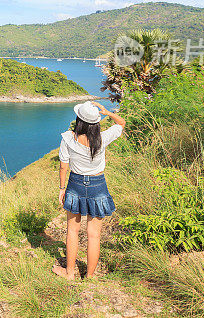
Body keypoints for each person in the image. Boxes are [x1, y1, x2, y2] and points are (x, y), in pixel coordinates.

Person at [52, 100, 125, 280]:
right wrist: (106, 112)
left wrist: (62, 189)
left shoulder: (68, 138)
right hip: (98, 184)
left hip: (75, 184)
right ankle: (90, 275)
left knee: (72, 231)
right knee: (94, 235)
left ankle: (69, 273)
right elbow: (121, 123)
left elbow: (63, 166)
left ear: (79, 120)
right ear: (96, 123)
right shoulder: (102, 138)